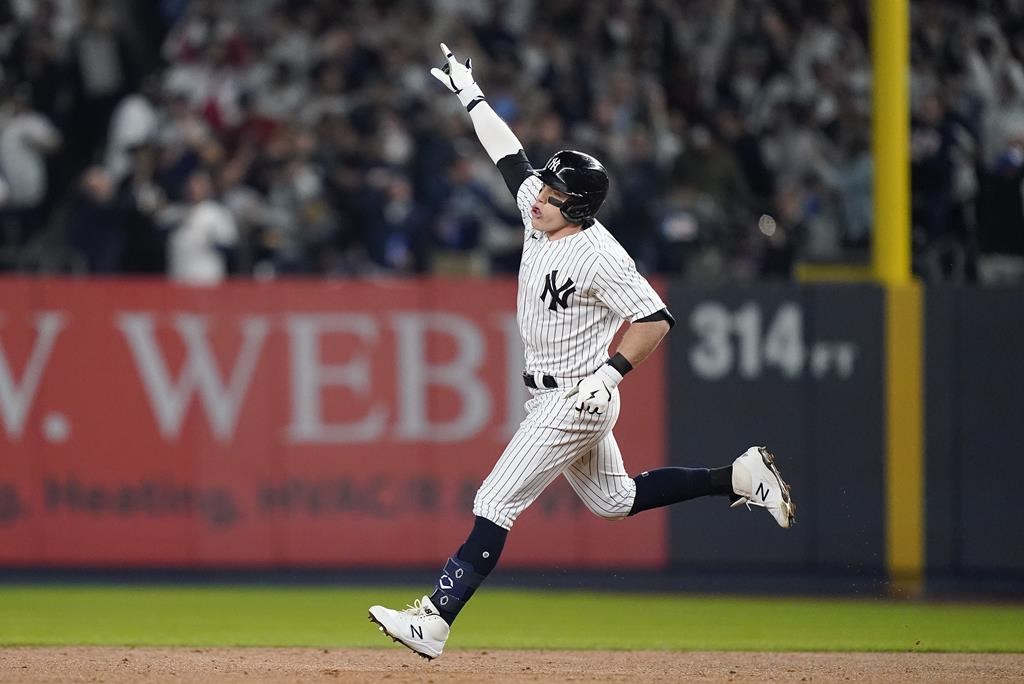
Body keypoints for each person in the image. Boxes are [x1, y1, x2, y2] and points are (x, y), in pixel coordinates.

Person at [367, 44, 796, 660]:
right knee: (615, 501)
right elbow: (506, 155)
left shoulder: (601, 255)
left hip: (577, 396)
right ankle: (736, 476)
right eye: (544, 184)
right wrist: (471, 93)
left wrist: (611, 375)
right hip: (549, 392)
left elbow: (656, 319)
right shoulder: (536, 211)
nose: (538, 193)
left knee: (495, 500)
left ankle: (434, 620)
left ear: (580, 206)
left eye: (553, 190)